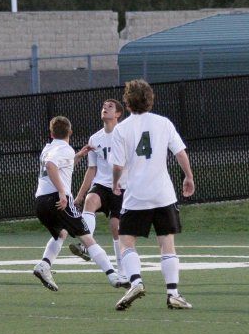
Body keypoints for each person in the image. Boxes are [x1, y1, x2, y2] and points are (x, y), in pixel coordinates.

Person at [110, 79, 196, 311]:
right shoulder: (163, 123)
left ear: (127, 103)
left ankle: (136, 282)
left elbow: (117, 165)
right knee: (166, 243)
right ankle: (173, 293)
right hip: (163, 194)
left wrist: (116, 182)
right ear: (149, 99)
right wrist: (188, 176)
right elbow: (180, 153)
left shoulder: (121, 129)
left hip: (136, 194)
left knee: (126, 242)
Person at [32, 116, 130, 292]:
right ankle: (113, 275)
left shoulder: (48, 148)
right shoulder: (64, 149)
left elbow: (56, 165)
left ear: (51, 133)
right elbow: (52, 165)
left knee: (61, 233)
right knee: (87, 239)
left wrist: (78, 156)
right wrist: (62, 192)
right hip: (57, 200)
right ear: (70, 132)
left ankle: (44, 264)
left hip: (40, 202)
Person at [69, 99, 126, 276]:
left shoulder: (125, 134)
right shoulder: (95, 138)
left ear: (118, 114)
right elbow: (92, 169)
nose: (105, 109)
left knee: (116, 228)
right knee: (90, 200)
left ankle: (122, 270)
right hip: (101, 184)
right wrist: (79, 195)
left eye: (110, 107)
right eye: (103, 107)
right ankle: (86, 245)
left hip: (122, 186)